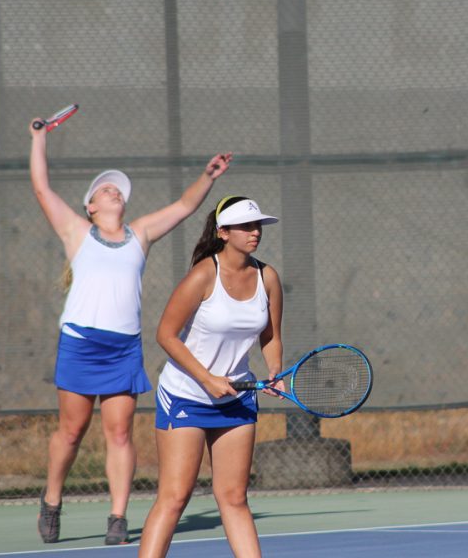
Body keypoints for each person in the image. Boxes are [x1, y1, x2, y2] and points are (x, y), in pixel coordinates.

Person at [28, 118, 232, 545]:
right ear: (91, 207)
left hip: (123, 348)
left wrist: (207, 177)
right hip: (81, 344)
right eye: (105, 189)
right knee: (72, 430)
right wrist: (39, 139)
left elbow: (183, 207)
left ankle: (117, 518)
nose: (114, 191)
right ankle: (52, 500)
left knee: (119, 431)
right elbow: (43, 189)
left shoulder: (140, 233)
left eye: (118, 188)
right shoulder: (76, 231)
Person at [137, 196, 284, 558]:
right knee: (174, 498)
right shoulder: (204, 274)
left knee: (234, 498)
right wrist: (206, 379)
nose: (255, 233)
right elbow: (165, 335)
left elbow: (271, 336)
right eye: (246, 226)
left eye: (257, 226)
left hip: (236, 399)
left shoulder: (267, 277)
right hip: (187, 394)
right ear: (223, 232)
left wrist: (275, 372)